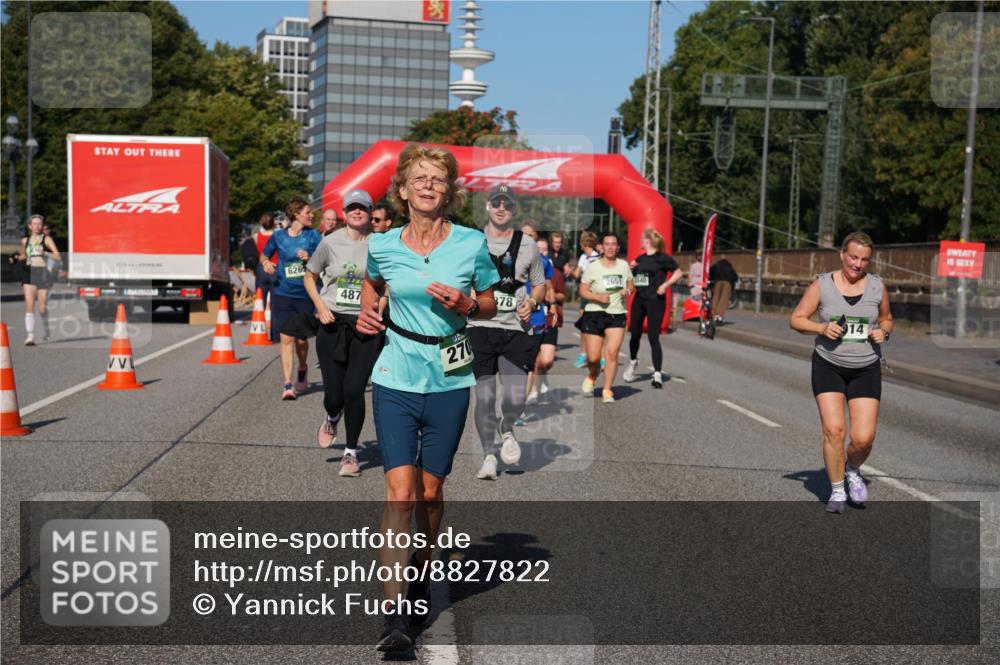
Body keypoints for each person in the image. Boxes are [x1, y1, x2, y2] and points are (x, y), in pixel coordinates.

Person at [355, 143, 498, 653]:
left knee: (430, 494)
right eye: (419, 178)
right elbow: (370, 285)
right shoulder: (383, 245)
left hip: (450, 378)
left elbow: (490, 300)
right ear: (403, 190)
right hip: (395, 375)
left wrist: (467, 303)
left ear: (449, 190)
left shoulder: (470, 243)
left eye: (438, 178)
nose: (428, 185)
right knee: (400, 493)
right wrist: (368, 312)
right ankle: (394, 616)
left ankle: (424, 563)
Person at [789, 231, 892, 514]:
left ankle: (853, 469)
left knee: (863, 438)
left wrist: (884, 332)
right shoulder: (823, 285)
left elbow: (886, 319)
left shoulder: (877, 287)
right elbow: (796, 319)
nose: (858, 264)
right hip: (828, 365)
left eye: (864, 260)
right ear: (842, 255)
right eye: (853, 257)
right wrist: (822, 328)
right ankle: (836, 489)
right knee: (834, 431)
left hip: (865, 368)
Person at [468, 186, 546, 481]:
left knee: (515, 396)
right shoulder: (472, 242)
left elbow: (539, 284)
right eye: (496, 202)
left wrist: (533, 303)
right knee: (485, 397)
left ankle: (507, 425)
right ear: (488, 206)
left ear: (513, 209)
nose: (501, 207)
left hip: (515, 328)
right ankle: (489, 454)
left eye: (507, 204)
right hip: (480, 327)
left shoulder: (527, 245)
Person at [305, 189, 382, 477]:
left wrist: (379, 308)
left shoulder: (380, 244)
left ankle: (351, 453)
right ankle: (332, 414)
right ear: (344, 212)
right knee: (334, 394)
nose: (356, 212)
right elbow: (309, 276)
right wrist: (320, 306)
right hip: (332, 323)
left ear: (370, 212)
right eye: (352, 208)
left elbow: (388, 282)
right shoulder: (329, 242)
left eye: (362, 207)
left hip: (365, 325)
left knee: (354, 389)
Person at [260, 199, 322, 400]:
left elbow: (324, 261)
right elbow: (263, 256)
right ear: (296, 214)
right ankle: (287, 383)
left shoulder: (313, 236)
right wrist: (266, 263)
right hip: (283, 293)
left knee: (301, 340)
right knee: (286, 338)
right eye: (308, 212)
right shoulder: (278, 236)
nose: (311, 215)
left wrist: (310, 258)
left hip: (305, 294)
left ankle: (302, 367)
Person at [623, 229, 683, 389]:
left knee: (653, 337)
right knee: (634, 335)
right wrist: (631, 268)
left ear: (648, 240)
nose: (640, 241)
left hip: (656, 301)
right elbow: (634, 279)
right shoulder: (640, 259)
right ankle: (633, 362)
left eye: (642, 238)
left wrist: (665, 285)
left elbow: (678, 273)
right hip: (639, 300)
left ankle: (657, 374)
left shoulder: (662, 258)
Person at [578, 233, 633, 402]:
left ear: (618, 247)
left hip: (617, 313)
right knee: (593, 358)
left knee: (612, 354)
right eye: (607, 244)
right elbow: (583, 290)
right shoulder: (593, 266)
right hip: (594, 312)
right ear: (602, 247)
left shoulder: (623, 265)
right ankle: (592, 375)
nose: (610, 247)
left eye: (613, 244)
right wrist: (597, 297)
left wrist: (628, 290)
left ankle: (607, 390)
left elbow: (631, 283)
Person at [526, 236, 565, 402]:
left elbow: (549, 287)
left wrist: (553, 307)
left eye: (544, 249)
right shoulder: (519, 262)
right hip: (528, 316)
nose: (541, 252)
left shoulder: (545, 264)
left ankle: (541, 375)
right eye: (538, 248)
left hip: (544, 314)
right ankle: (532, 391)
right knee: (533, 358)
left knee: (547, 360)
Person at [17, 215, 60, 345]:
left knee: (42, 308)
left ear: (42, 226)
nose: (37, 226)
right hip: (28, 272)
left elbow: (57, 256)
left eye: (39, 224)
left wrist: (45, 253)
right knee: (30, 305)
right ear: (30, 226)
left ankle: (46, 328)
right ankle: (30, 336)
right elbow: (24, 255)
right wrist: (18, 257)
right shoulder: (25, 240)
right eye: (34, 224)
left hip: (42, 273)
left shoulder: (46, 239)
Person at [572, 231, 601, 368]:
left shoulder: (599, 257)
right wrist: (569, 272)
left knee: (599, 324)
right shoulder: (583, 257)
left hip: (597, 295)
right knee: (583, 324)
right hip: (585, 295)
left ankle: (600, 356)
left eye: (581, 242)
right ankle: (583, 354)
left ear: (584, 244)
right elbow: (576, 275)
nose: (580, 245)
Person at [254, 212, 278, 310]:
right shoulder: (278, 236)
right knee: (275, 301)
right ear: (273, 222)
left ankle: (259, 317)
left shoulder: (256, 236)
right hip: (275, 267)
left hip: (261, 268)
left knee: (260, 299)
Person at [709, 258, 739, 324]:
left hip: (717, 282)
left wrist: (712, 282)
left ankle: (714, 314)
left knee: (715, 298)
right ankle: (719, 315)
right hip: (727, 284)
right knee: (723, 299)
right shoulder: (729, 267)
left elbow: (710, 273)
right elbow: (735, 277)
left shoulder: (716, 266)